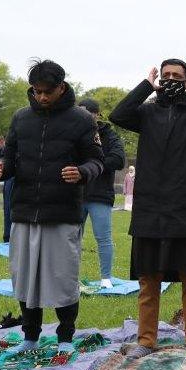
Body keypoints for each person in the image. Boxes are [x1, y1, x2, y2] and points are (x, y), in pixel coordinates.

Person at [110, 58, 186, 359]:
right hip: (151, 207)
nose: (171, 79)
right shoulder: (147, 112)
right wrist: (145, 86)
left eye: (177, 75)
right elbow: (119, 115)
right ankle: (146, 340)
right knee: (148, 279)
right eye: (166, 76)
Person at [0, 59, 104, 358]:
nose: (41, 97)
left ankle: (65, 336)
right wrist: (2, 168)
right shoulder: (20, 118)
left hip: (62, 213)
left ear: (61, 87)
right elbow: (10, 159)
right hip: (25, 212)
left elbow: (97, 160)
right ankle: (30, 336)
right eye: (36, 91)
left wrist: (82, 171)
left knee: (63, 278)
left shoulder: (82, 120)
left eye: (47, 91)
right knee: (25, 279)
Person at [78, 98, 126, 288]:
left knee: (103, 237)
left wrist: (93, 166)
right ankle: (69, 277)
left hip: (100, 195)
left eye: (87, 114)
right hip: (76, 194)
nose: (82, 118)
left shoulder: (110, 135)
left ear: (96, 114)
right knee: (72, 238)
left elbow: (119, 159)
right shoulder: (72, 134)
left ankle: (106, 277)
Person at [0, 136, 15, 242]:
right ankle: (8, 237)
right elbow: (5, 158)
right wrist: (2, 148)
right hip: (10, 179)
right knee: (8, 208)